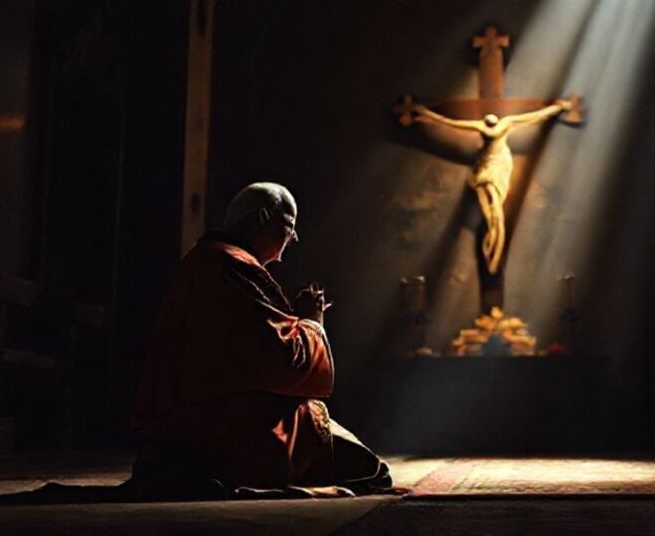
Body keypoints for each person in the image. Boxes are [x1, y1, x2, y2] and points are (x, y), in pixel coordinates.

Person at [129, 182, 391, 497]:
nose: (292, 240)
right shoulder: (234, 266)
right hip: (227, 433)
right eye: (289, 227)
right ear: (264, 216)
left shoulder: (204, 260)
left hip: (178, 432)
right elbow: (287, 364)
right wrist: (311, 320)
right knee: (372, 473)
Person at [411, 99, 574, 275]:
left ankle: (494, 254)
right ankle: (490, 246)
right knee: (490, 212)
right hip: (484, 164)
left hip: (499, 164)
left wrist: (556, 108)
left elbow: (533, 117)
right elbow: (452, 123)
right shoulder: (482, 126)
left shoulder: (505, 123)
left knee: (496, 211)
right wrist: (426, 113)